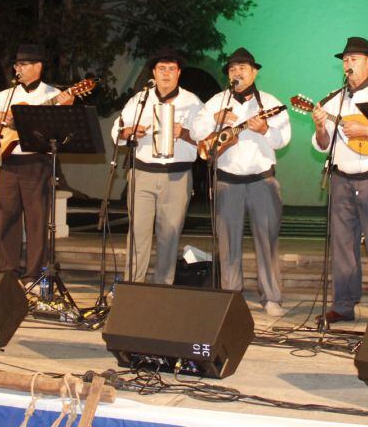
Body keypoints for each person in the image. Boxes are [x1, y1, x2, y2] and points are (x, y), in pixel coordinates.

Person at [192, 47, 291, 316]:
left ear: (254, 72)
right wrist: (216, 119)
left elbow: (284, 140)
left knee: (267, 241)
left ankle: (271, 298)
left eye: (243, 68)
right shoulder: (217, 101)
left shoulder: (270, 102)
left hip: (262, 181)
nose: (238, 72)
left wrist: (265, 129)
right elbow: (196, 132)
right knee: (228, 245)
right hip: (227, 182)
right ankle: (230, 297)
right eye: (233, 69)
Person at [312, 37, 368, 323]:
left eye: (355, 59)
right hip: (342, 181)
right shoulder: (333, 101)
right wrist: (318, 125)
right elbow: (323, 144)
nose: (348, 64)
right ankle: (344, 305)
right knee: (343, 245)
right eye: (345, 60)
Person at [0, 44, 73, 278]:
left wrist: (65, 110)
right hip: (7, 163)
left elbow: (63, 135)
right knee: (7, 218)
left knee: (36, 222)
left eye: (23, 64)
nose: (18, 69)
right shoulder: (6, 96)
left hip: (37, 163)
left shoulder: (51, 95)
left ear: (38, 66)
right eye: (17, 64)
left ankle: (33, 275)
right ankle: (6, 272)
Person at [111, 48, 203, 284]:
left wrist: (182, 132)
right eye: (161, 68)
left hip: (177, 175)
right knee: (137, 235)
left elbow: (204, 140)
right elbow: (117, 132)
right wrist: (131, 130)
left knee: (169, 237)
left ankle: (162, 288)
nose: (166, 74)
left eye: (171, 69)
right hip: (143, 173)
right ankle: (132, 286)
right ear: (153, 72)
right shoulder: (140, 99)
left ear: (179, 73)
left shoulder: (192, 102)